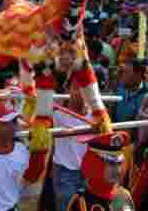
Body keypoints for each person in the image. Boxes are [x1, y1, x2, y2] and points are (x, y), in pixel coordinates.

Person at [67, 131, 134, 211]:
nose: (118, 170)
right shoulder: (83, 202)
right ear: (94, 164)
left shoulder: (124, 196)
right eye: (111, 163)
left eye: (119, 163)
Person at [52, 81, 91, 211]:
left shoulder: (96, 115)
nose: (81, 93)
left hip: (89, 172)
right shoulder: (57, 114)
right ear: (68, 90)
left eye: (85, 88)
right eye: (76, 88)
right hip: (65, 172)